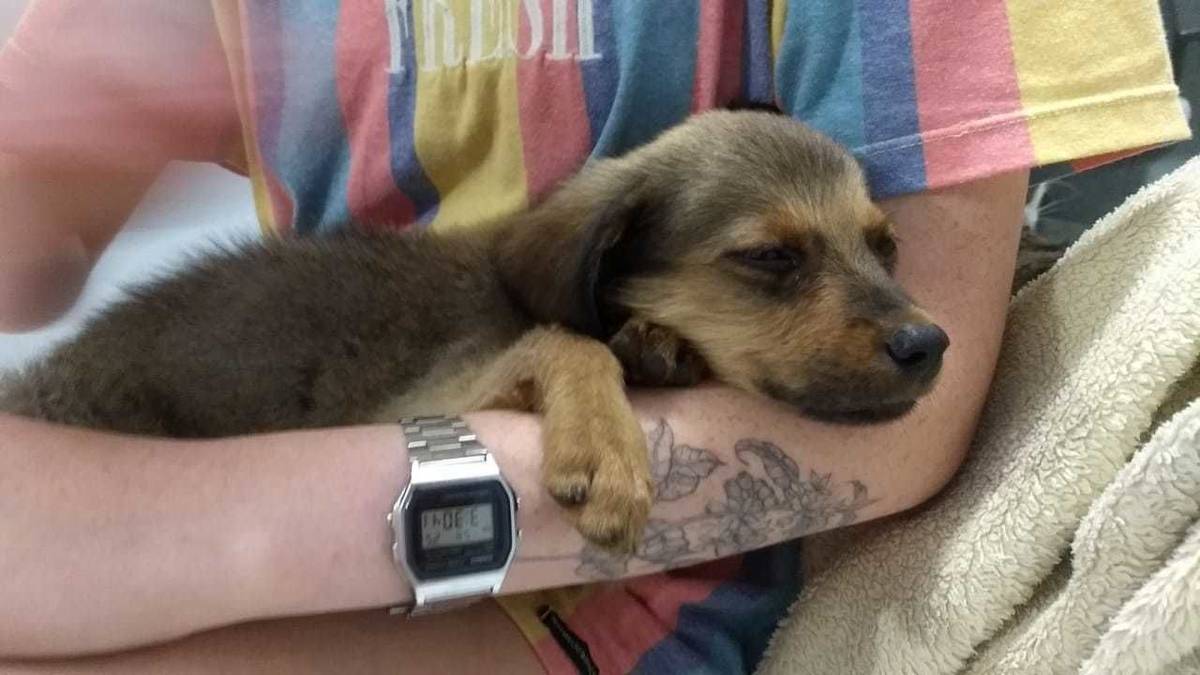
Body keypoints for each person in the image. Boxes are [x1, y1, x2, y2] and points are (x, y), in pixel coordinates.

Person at [0, 1, 1189, 672]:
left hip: (616, 602)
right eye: (773, 263)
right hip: (253, 434)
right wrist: (48, 149)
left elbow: (897, 428)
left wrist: (178, 532)